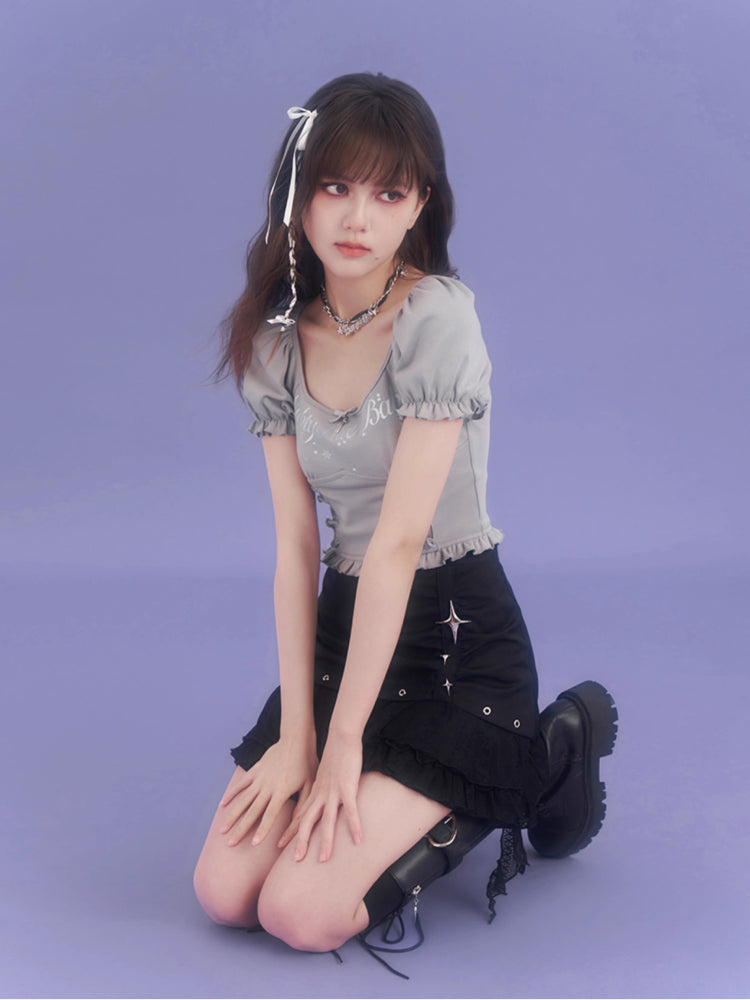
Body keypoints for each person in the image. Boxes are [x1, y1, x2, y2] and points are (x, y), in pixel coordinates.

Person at [193, 72, 618, 963]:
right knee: (225, 894)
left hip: (456, 646)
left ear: (421, 203)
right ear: (298, 194)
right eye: (335, 186)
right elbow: (296, 548)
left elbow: (395, 544)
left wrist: (343, 744)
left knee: (301, 915)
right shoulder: (275, 340)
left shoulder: (436, 320)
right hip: (346, 635)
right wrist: (300, 736)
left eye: (388, 193)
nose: (359, 218)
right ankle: (402, 764)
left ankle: (540, 756)